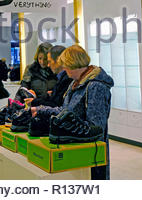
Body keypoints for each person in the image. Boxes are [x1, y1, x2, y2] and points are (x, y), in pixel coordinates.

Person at [31, 45, 114, 180]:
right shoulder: (75, 83)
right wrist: (40, 110)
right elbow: (64, 111)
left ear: (73, 64)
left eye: (66, 66)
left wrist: (69, 124)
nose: (64, 69)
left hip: (91, 153)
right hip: (76, 147)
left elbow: (96, 128)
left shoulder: (96, 86)